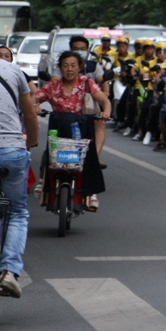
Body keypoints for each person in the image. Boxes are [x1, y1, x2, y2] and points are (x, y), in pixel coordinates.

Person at [0, 21, 38, 298]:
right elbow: (30, 115)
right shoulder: (13, 71)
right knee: (17, 213)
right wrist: (32, 142)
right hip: (13, 151)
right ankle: (10, 272)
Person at [35, 50, 109, 212]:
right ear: (60, 68)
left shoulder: (86, 82)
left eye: (73, 65)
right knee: (50, 154)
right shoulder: (52, 86)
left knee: (88, 156)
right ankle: (43, 179)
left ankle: (91, 193)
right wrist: (35, 106)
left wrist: (106, 112)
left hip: (80, 129)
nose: (69, 69)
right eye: (65, 65)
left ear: (80, 67)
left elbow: (104, 100)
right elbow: (34, 98)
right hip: (58, 129)